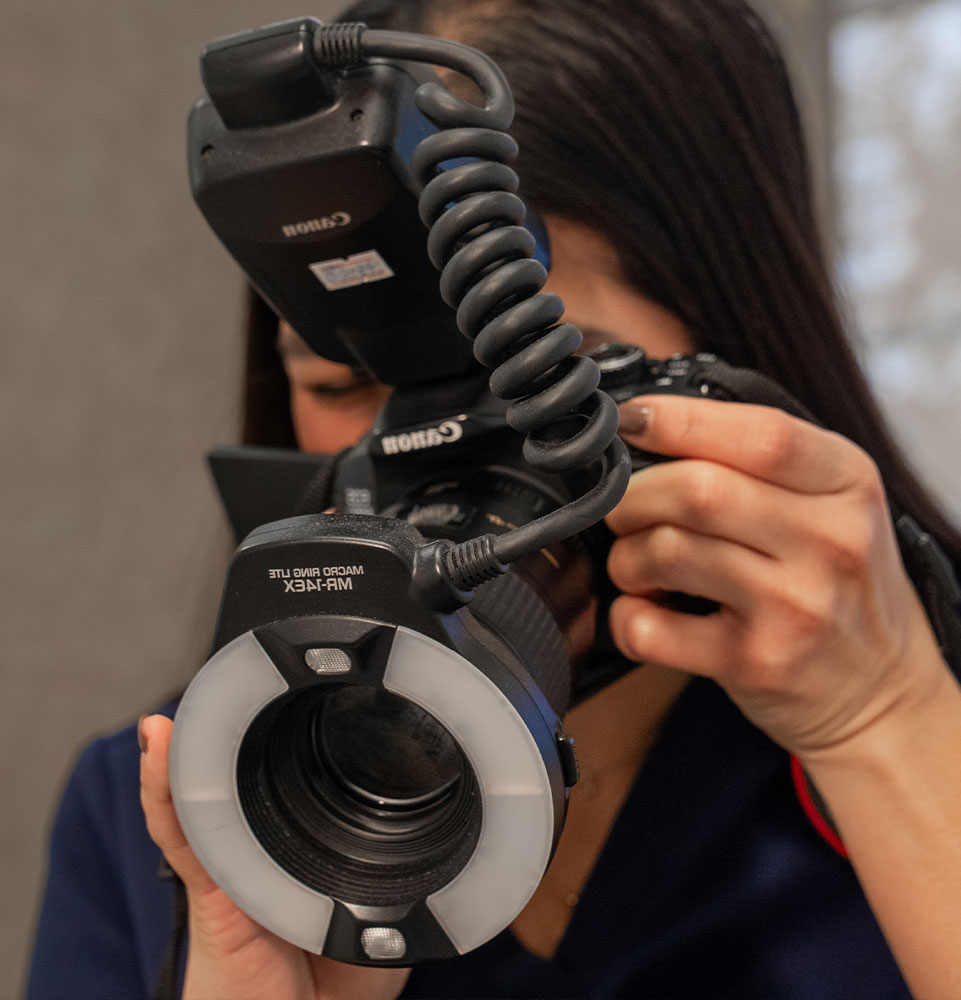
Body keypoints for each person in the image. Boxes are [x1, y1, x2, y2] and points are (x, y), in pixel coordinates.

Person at [26, 0, 961, 998]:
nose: (424, 444)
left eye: (524, 366)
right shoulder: (181, 807)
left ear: (723, 363)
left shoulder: (912, 708)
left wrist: (885, 725)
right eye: (340, 384)